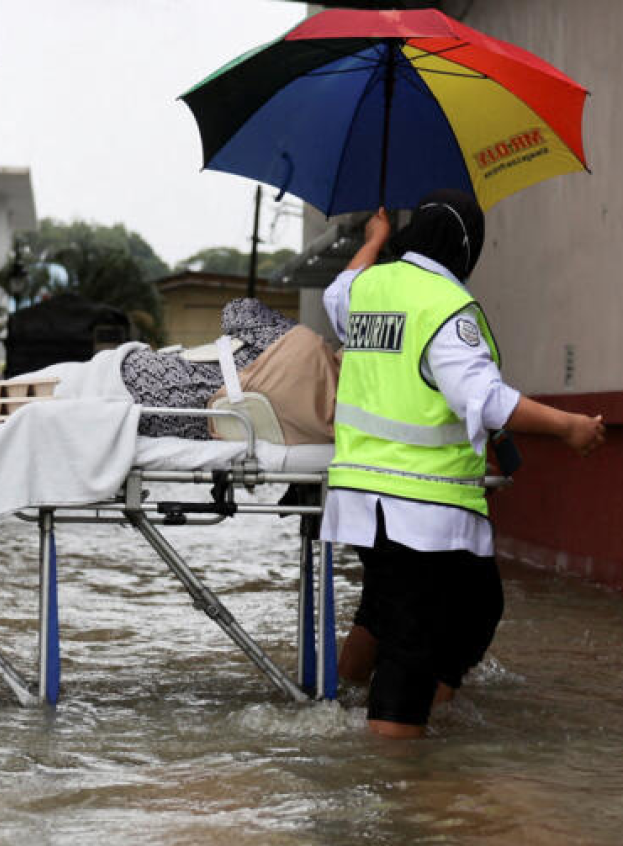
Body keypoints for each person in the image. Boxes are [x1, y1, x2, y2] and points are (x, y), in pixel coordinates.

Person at [323, 189, 605, 739]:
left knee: (455, 601)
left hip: (363, 496)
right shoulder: (445, 306)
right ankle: (390, 783)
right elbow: (485, 397)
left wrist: (374, 244)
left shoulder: (368, 285)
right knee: (412, 636)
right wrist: (569, 427)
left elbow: (336, 295)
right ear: (465, 246)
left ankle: (341, 706)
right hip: (418, 504)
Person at [120, 297, 297, 438]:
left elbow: (238, 308)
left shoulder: (292, 340)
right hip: (148, 409)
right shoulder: (298, 412)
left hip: (138, 384)